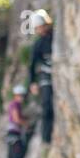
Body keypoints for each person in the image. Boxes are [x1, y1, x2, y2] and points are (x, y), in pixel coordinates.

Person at [27, 9, 55, 144]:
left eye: (41, 26)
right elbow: (32, 65)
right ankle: (46, 137)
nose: (40, 30)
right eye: (37, 28)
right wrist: (32, 82)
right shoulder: (38, 44)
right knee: (46, 104)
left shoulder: (56, 36)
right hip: (46, 73)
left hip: (57, 70)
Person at [2, 84, 32, 158]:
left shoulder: (14, 105)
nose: (22, 98)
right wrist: (26, 124)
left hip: (11, 134)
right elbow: (16, 119)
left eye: (23, 96)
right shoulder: (15, 104)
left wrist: (25, 118)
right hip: (14, 135)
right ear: (16, 95)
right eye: (21, 96)